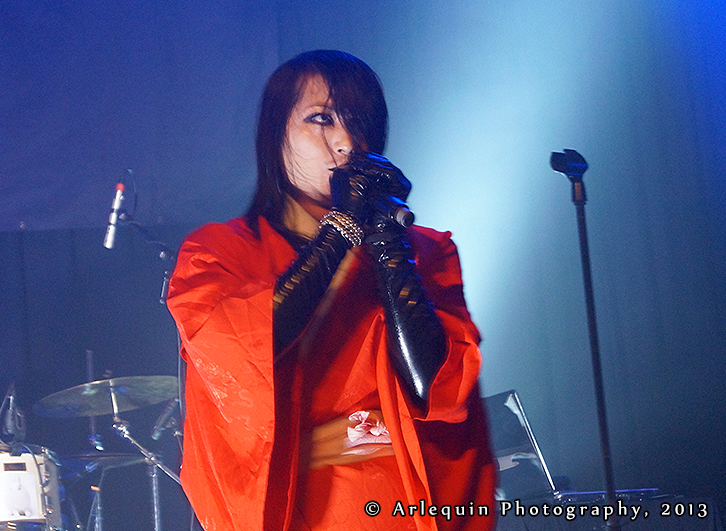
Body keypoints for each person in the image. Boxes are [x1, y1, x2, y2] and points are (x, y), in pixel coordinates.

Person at [166, 50, 497, 531]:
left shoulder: (427, 252)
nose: (346, 143)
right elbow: (246, 358)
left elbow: (438, 392)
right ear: (274, 134)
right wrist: (342, 226)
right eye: (321, 119)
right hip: (304, 511)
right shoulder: (218, 253)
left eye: (360, 124)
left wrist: (390, 245)